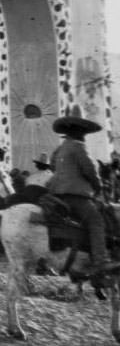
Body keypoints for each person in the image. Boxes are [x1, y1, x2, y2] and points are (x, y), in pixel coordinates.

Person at [49, 110, 117, 280]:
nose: (84, 136)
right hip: (76, 196)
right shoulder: (78, 147)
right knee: (97, 221)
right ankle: (100, 261)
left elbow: (52, 165)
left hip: (57, 194)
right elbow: (90, 170)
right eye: (83, 132)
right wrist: (97, 186)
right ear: (77, 131)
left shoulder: (60, 149)